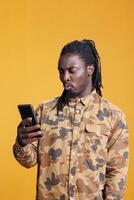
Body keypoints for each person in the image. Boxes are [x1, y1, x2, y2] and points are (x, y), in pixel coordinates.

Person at [13, 39, 129, 200]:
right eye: (61, 71)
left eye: (72, 70)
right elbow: (28, 161)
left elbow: (117, 174)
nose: (65, 77)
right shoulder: (45, 111)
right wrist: (22, 142)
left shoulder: (113, 115)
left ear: (90, 69)